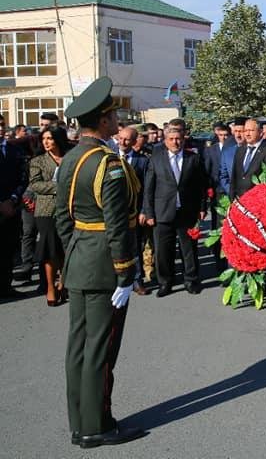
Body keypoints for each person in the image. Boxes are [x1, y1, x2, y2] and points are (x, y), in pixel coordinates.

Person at [55, 77, 143, 448]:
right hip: (105, 265)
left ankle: (80, 422)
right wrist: (125, 272)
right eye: (114, 117)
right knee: (101, 350)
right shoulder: (108, 164)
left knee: (78, 346)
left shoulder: (70, 158)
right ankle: (96, 426)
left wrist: (75, 254)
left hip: (79, 260)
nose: (118, 122)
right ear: (103, 121)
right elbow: (117, 224)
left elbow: (63, 218)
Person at [140, 125, 208, 297]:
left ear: (183, 140)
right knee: (163, 251)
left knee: (189, 249)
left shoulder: (193, 158)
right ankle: (165, 282)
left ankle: (191, 280)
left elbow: (201, 186)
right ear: (165, 141)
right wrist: (149, 213)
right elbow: (149, 188)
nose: (175, 142)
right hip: (162, 212)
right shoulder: (156, 159)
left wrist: (202, 207)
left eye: (178, 139)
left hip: (187, 211)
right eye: (171, 139)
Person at [28, 126, 70, 306]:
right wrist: (59, 187)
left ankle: (64, 282)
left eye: (50, 138)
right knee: (50, 250)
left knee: (67, 248)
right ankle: (50, 287)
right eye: (43, 138)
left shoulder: (70, 158)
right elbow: (35, 184)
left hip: (70, 209)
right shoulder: (38, 161)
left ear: (58, 139)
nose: (46, 142)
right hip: (46, 210)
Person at [117, 127, 150, 294]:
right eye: (120, 139)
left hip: (134, 211)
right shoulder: (110, 158)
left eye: (127, 139)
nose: (123, 142)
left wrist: (144, 210)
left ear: (134, 141)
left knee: (135, 246)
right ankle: (117, 280)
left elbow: (146, 188)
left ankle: (137, 280)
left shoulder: (142, 161)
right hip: (114, 211)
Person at [203, 123, 234, 276]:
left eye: (226, 135)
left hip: (231, 192)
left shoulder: (234, 149)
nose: (224, 138)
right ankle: (219, 260)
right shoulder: (211, 150)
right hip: (218, 194)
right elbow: (207, 172)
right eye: (221, 135)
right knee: (218, 227)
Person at [0, 113, 26, 297]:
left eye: (2, 125)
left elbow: (23, 177)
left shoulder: (14, 150)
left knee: (8, 248)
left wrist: (13, 199)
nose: (1, 128)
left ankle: (6, 286)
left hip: (11, 207)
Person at [231, 118, 266, 199]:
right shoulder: (240, 150)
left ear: (260, 132)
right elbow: (234, 177)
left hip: (259, 201)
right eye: (245, 130)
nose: (247, 134)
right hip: (239, 201)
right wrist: (232, 199)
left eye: (251, 130)